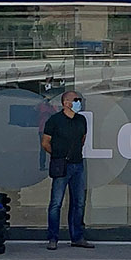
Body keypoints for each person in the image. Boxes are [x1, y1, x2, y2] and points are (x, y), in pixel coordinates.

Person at [40, 91, 92, 250]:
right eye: (76, 100)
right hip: (62, 165)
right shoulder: (54, 120)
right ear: (66, 103)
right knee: (56, 203)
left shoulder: (81, 120)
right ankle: (53, 238)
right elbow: (45, 142)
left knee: (79, 202)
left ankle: (77, 237)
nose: (79, 103)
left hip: (78, 165)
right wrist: (57, 155)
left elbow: (82, 139)